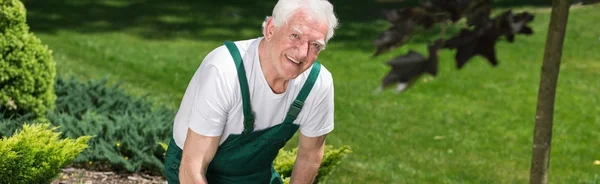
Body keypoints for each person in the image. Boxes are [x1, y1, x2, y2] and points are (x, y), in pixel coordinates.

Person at [163, 0, 339, 183]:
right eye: (295, 35)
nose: (303, 53)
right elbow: (193, 166)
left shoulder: (317, 84)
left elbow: (309, 157)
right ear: (270, 29)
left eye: (315, 45)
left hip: (253, 175)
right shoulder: (224, 70)